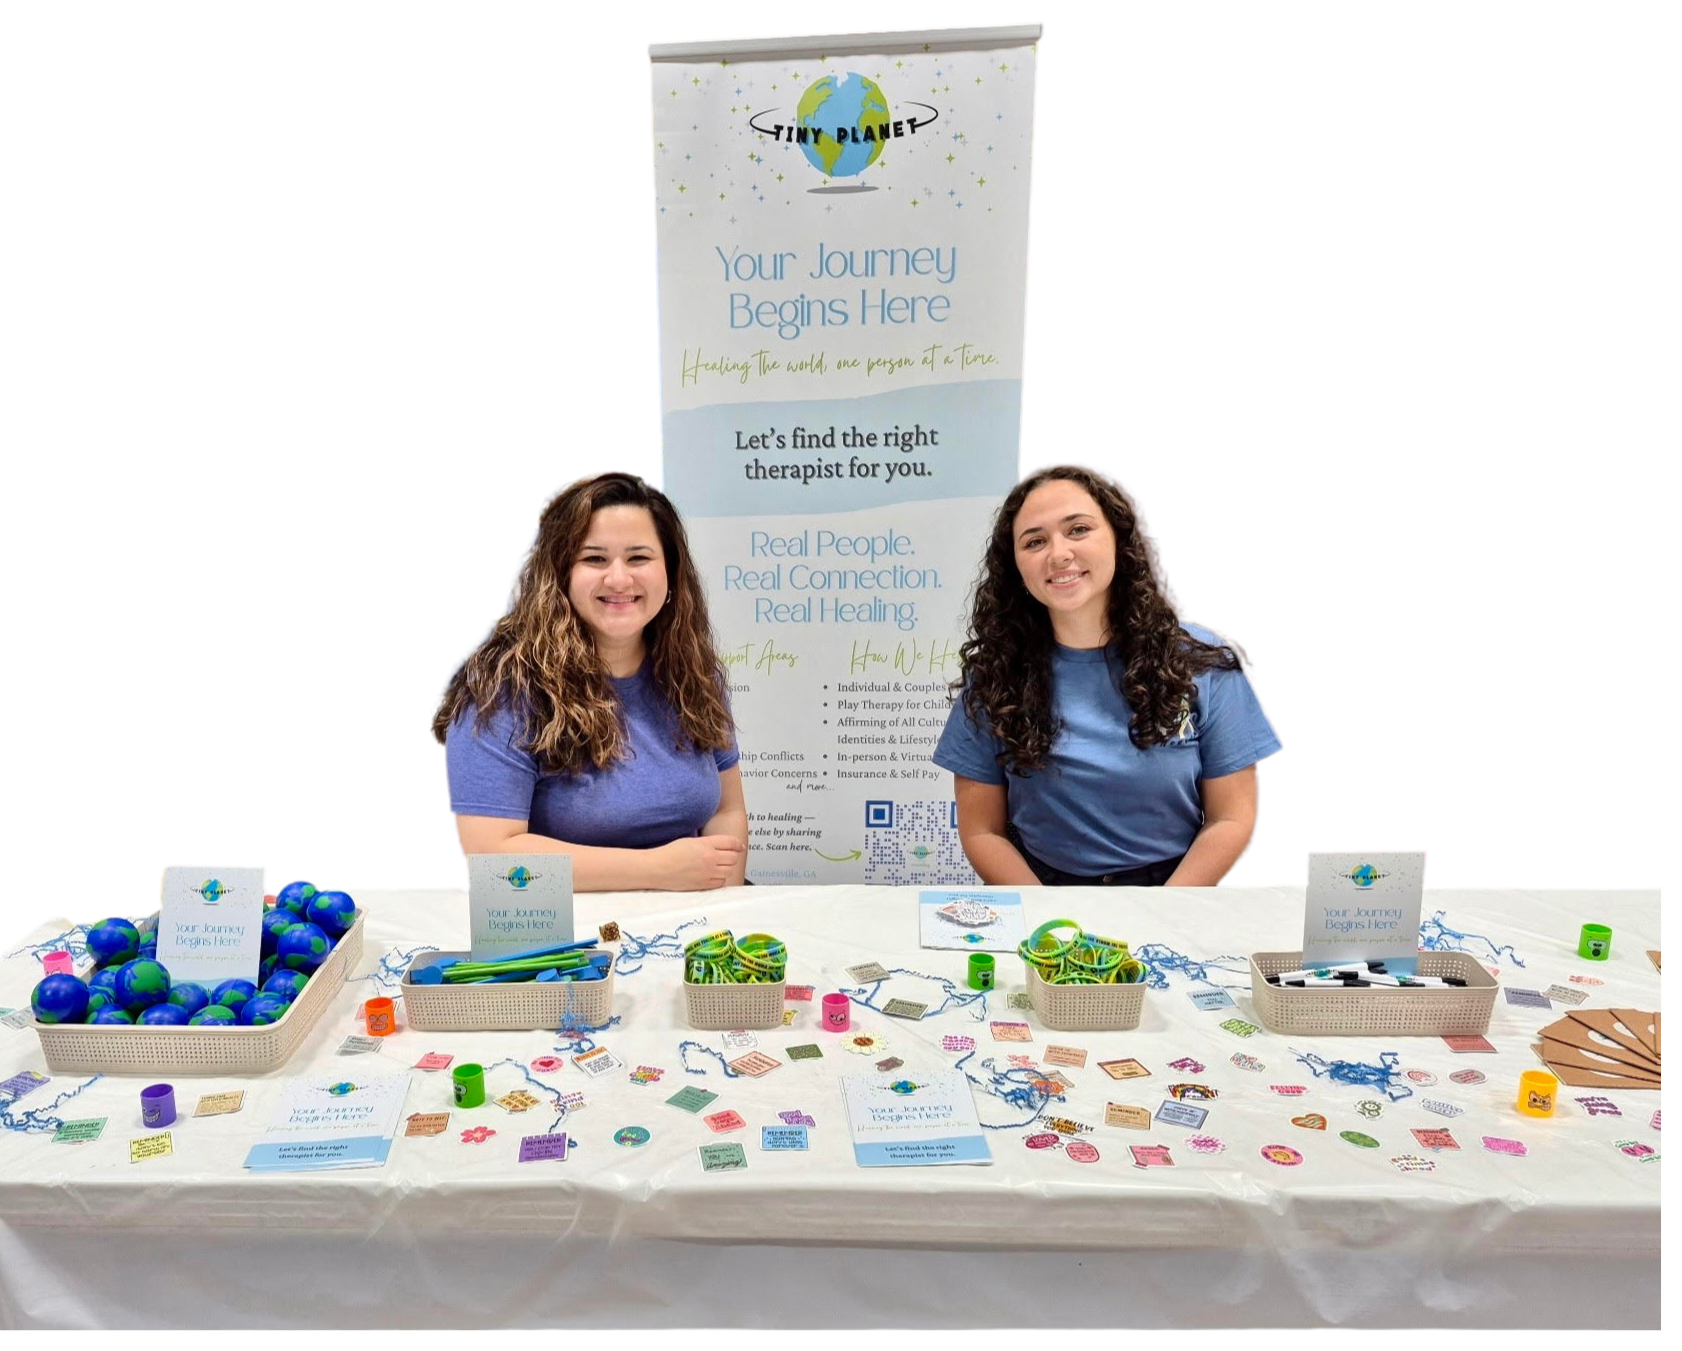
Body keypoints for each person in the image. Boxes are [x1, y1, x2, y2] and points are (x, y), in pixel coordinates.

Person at [933, 463, 1281, 887]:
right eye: (1035, 541)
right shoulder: (994, 674)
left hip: (1176, 891)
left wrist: (1161, 914)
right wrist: (1047, 921)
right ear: (1017, 568)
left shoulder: (1202, 661)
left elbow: (1231, 818)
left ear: (1119, 539)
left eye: (1078, 529)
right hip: (1042, 893)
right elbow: (982, 831)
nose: (1058, 553)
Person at [432, 471, 747, 890]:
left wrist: (725, 908)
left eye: (638, 558)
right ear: (559, 573)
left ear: (670, 572)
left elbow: (726, 809)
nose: (619, 579)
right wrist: (658, 871)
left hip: (692, 928)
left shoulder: (693, 672)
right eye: (594, 559)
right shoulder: (500, 690)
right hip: (569, 940)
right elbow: (495, 856)